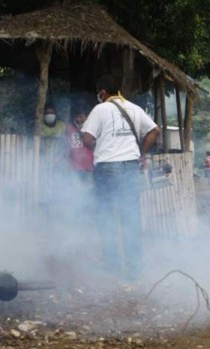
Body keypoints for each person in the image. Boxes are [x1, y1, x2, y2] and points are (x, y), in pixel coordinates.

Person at [80, 74, 160, 281]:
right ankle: (134, 269)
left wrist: (99, 148)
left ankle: (112, 264)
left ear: (103, 93)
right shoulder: (134, 108)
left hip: (107, 167)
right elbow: (154, 131)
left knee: (106, 216)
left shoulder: (100, 109)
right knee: (130, 217)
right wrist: (140, 152)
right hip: (131, 167)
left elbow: (87, 137)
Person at [65, 107, 93, 183]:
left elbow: (94, 146)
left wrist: (84, 133)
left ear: (87, 117)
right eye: (77, 117)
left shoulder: (92, 129)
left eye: (81, 117)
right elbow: (66, 146)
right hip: (73, 167)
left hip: (88, 167)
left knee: (88, 189)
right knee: (75, 190)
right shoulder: (69, 128)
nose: (78, 119)